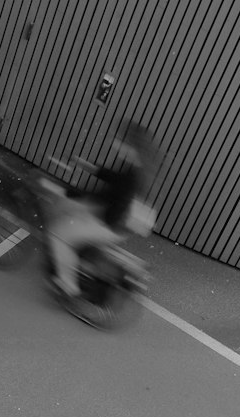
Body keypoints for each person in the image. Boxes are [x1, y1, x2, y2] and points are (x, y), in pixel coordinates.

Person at [45, 120, 159, 299]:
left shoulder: (132, 177)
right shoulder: (138, 170)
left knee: (58, 233)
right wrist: (89, 167)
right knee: (71, 211)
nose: (116, 143)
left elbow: (107, 198)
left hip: (110, 223)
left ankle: (68, 285)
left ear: (131, 146)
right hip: (119, 222)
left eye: (120, 141)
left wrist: (70, 194)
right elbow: (114, 180)